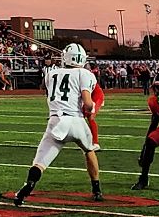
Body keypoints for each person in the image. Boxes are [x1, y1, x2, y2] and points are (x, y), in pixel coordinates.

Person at [12, 44, 103, 205]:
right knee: (89, 150)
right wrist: (92, 108)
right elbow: (88, 103)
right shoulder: (85, 73)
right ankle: (96, 189)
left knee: (39, 163)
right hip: (76, 121)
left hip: (56, 122)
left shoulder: (51, 74)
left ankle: (27, 187)